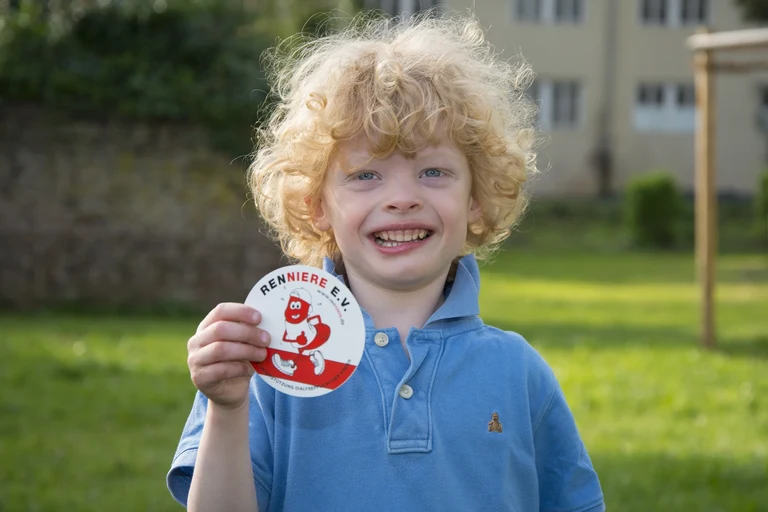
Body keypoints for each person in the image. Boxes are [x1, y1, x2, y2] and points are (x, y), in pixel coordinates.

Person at [167, 9, 605, 512]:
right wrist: (227, 409)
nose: (401, 198)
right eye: (366, 176)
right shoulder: (269, 364)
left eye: (434, 172)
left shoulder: (519, 373)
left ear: (476, 199)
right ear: (318, 205)